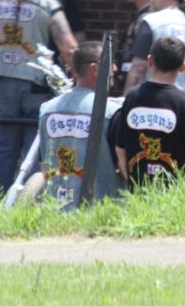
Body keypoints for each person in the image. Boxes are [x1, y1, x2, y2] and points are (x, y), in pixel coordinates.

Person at [0, 0, 79, 191]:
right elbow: (69, 48)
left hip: (1, 83)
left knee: (4, 146)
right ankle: (29, 203)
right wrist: (75, 74)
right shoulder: (47, 4)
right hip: (35, 85)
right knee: (34, 145)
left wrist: (4, 60)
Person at [112, 37, 185, 186]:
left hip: (138, 194)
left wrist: (132, 181)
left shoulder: (131, 98)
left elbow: (120, 149)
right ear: (183, 66)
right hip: (176, 198)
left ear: (150, 60)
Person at [35, 41, 121, 209]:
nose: (116, 69)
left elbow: (43, 161)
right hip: (101, 211)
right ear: (95, 69)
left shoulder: (46, 110)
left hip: (55, 209)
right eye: (111, 64)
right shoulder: (111, 112)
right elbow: (122, 165)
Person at [116, 0, 161, 91]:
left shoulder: (150, 19)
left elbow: (140, 66)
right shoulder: (141, 16)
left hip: (141, 92)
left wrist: (128, 99)